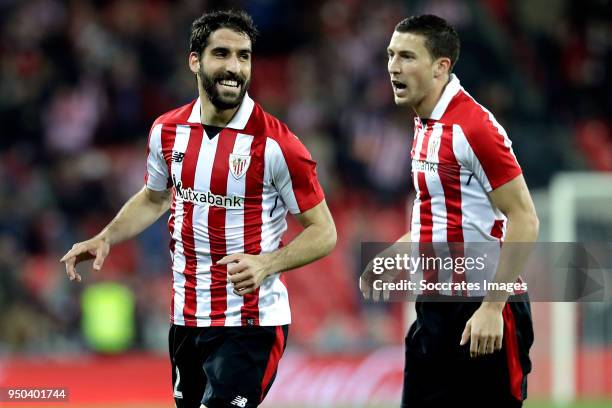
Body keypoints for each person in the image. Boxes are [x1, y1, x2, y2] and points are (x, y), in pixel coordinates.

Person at [60, 10, 336, 408]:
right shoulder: (167, 131)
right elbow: (154, 198)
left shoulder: (277, 144)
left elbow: (324, 231)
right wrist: (107, 237)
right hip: (187, 319)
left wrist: (267, 264)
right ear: (195, 60)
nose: (234, 67)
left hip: (250, 323)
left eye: (244, 56)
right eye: (222, 54)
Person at [361, 15, 539, 407]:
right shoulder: (425, 123)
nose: (393, 66)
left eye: (407, 56)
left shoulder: (474, 128)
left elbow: (525, 218)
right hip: (435, 307)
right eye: (391, 54)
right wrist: (396, 251)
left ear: (441, 66)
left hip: (483, 307)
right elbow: (441, 214)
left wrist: (493, 308)